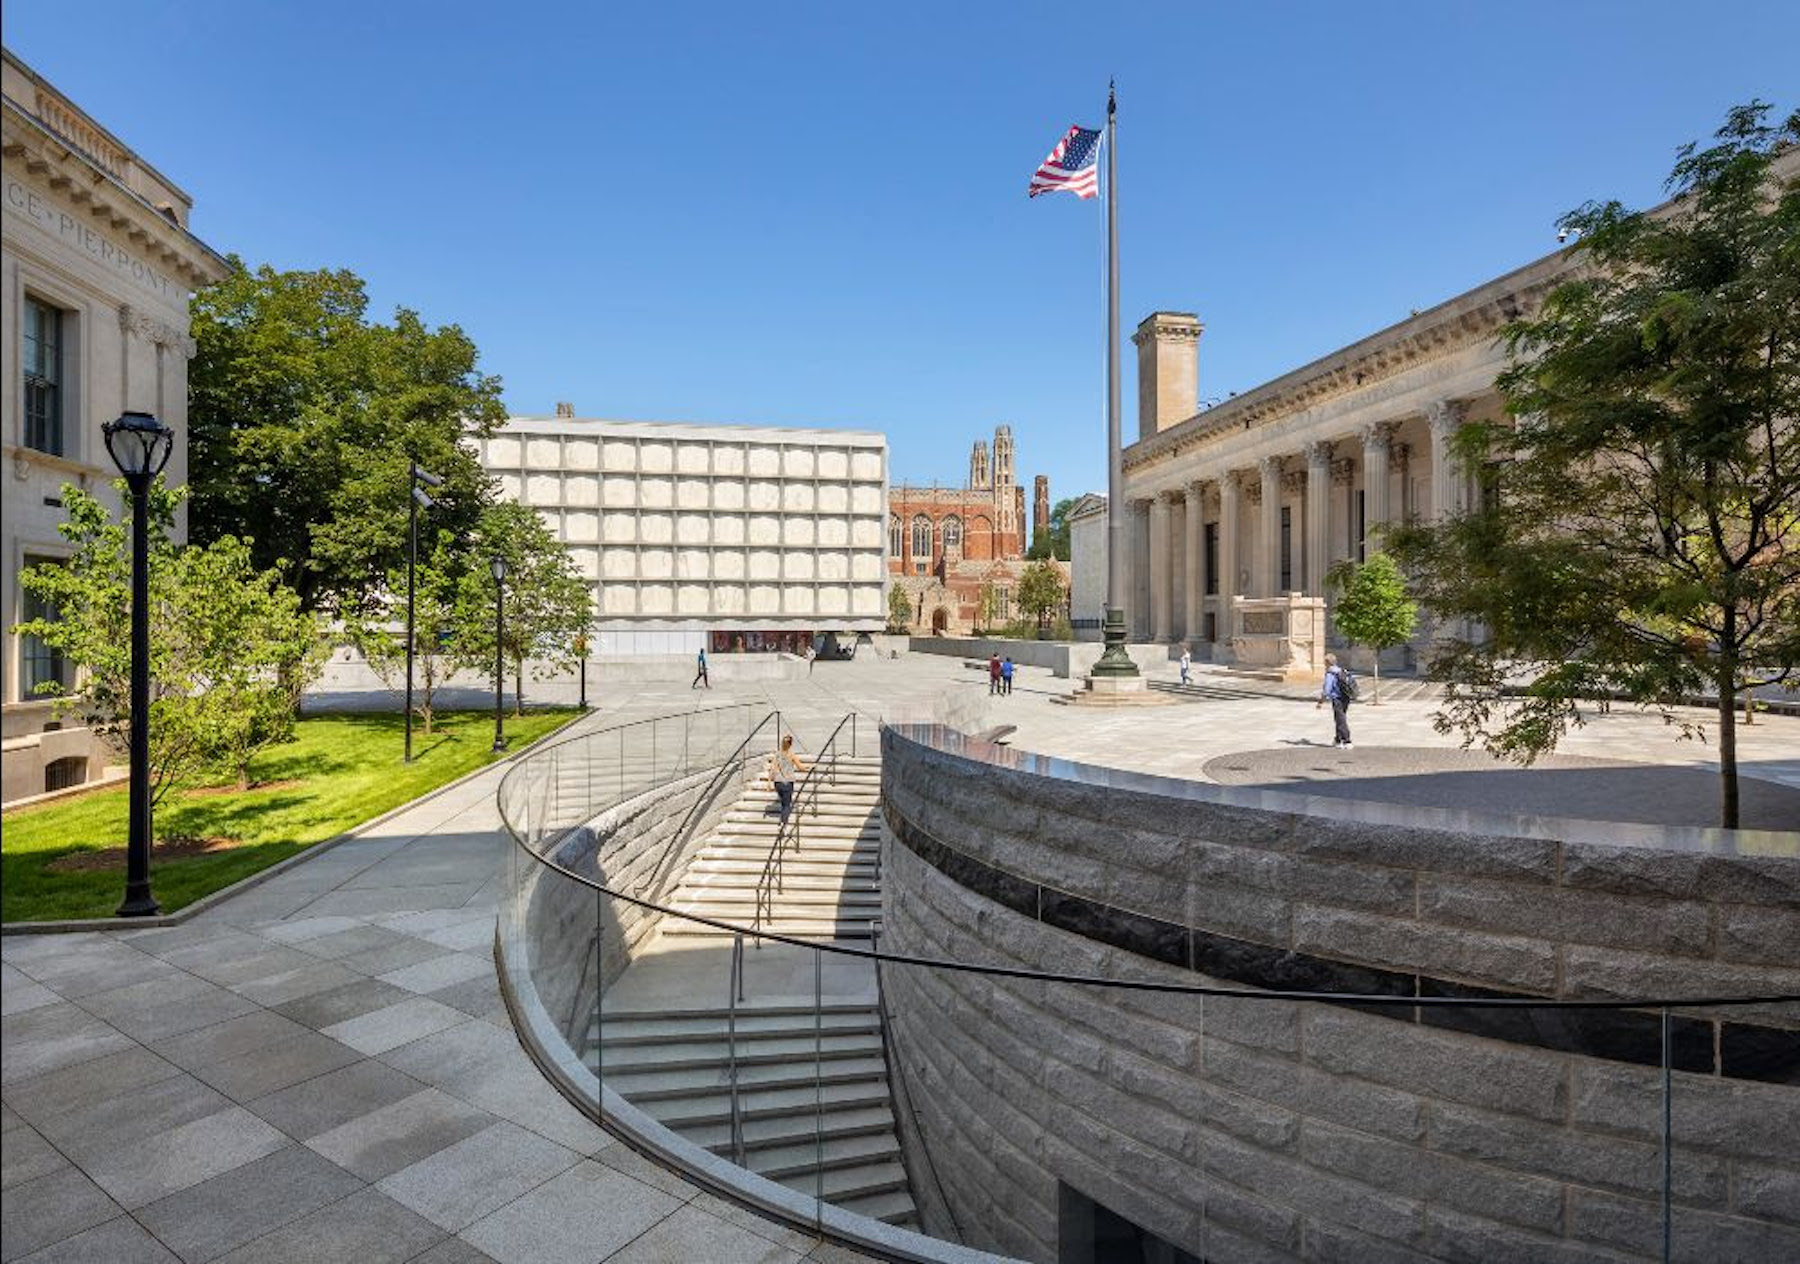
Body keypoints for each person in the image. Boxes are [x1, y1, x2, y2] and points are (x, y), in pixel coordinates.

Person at [769, 734, 806, 825]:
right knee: (787, 804)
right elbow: (801, 767)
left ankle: (783, 817)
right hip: (788, 782)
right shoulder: (792, 755)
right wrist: (810, 766)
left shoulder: (777, 754)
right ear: (790, 744)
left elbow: (773, 769)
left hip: (778, 783)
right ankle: (783, 822)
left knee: (783, 802)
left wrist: (769, 783)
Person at [1317, 652, 1352, 748]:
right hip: (1346, 697)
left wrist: (1320, 702)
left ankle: (1347, 740)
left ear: (1327, 662)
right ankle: (1338, 739)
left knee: (1340, 719)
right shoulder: (1342, 670)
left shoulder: (1330, 673)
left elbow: (1326, 690)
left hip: (1337, 698)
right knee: (1340, 718)